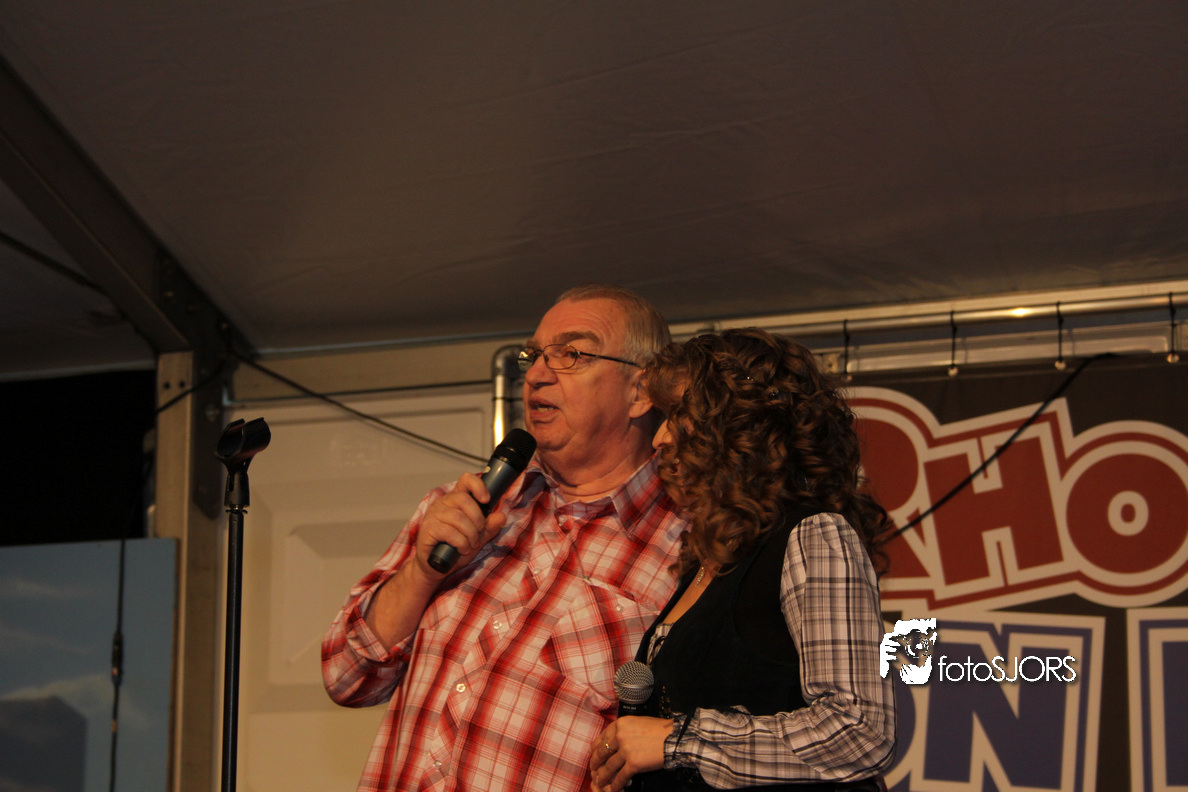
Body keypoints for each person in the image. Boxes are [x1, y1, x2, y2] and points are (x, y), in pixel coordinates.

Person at [322, 284, 688, 792]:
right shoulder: (464, 505)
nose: (536, 374)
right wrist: (423, 572)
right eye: (533, 356)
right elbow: (346, 677)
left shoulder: (690, 545)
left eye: (571, 354)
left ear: (640, 392)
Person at [589, 328, 897, 792]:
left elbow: (860, 731)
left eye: (678, 415)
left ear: (741, 425)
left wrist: (680, 741)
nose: (661, 438)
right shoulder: (709, 557)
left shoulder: (813, 535)